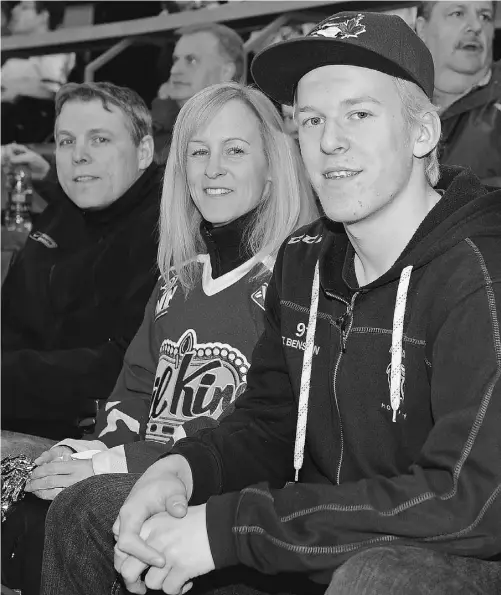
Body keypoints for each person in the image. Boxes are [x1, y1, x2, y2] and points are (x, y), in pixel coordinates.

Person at [42, 10, 501, 595]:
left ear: (421, 133)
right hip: (311, 527)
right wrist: (183, 468)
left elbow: (474, 502)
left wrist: (230, 530)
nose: (330, 141)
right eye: (311, 119)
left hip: (453, 549)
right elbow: (269, 423)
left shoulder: (481, 272)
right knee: (93, 511)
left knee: (378, 578)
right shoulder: (305, 258)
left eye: (359, 114)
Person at [2, 81, 318, 595]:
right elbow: (130, 397)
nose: (212, 167)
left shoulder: (291, 286)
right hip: (136, 470)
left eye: (234, 150)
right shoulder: (177, 281)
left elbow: (252, 442)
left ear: (274, 164)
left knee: (82, 507)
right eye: (198, 152)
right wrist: (85, 454)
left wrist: (102, 467)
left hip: (213, 493)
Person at [2, 81, 161, 444]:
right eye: (66, 141)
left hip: (93, 441)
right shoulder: (64, 210)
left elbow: (123, 365)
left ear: (143, 151)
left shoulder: (168, 229)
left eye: (100, 140)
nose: (79, 155)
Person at [416, 0, 500, 186]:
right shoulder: (394, 100)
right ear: (422, 28)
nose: (477, 26)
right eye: (458, 13)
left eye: (485, 16)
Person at [152, 22, 245, 162]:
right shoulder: (165, 129)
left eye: (192, 60)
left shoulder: (248, 136)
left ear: (226, 72)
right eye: (175, 60)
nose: (174, 70)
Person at [1, 1, 76, 144]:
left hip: (30, 121)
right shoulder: (10, 58)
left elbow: (53, 92)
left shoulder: (57, 49)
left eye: (24, 8)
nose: (15, 11)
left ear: (43, 16)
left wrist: (16, 89)